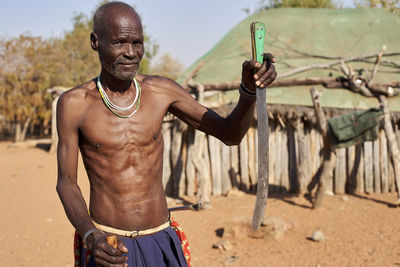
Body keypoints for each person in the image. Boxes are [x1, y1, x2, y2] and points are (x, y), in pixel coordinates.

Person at [56, 2, 277, 267]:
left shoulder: (161, 92)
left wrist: (248, 90)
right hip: (110, 247)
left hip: (160, 241)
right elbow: (66, 182)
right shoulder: (74, 104)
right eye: (119, 42)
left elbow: (229, 134)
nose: (130, 53)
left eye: (137, 43)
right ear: (95, 42)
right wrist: (91, 235)